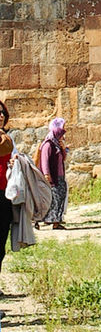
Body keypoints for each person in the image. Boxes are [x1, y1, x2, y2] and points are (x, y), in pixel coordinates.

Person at [38, 118, 68, 229]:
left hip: (59, 176)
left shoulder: (57, 144)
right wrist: (46, 174)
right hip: (52, 177)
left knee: (60, 197)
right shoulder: (48, 144)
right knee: (54, 198)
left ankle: (56, 220)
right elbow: (44, 160)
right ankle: (52, 221)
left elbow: (63, 158)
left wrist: (63, 148)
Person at [0, 100, 15, 271]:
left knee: (1, 241)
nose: (1, 115)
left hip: (4, 194)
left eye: (2, 112)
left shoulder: (7, 138)